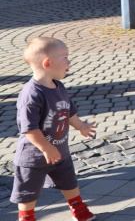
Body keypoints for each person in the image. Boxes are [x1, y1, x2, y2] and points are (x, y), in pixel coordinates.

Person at [11, 37, 97, 221]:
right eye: (65, 57)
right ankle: (26, 216)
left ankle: (78, 207)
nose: (69, 62)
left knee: (69, 181)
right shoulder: (31, 94)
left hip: (59, 151)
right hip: (34, 156)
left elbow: (68, 111)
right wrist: (46, 147)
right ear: (47, 62)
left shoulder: (58, 86)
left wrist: (81, 126)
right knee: (28, 190)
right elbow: (29, 128)